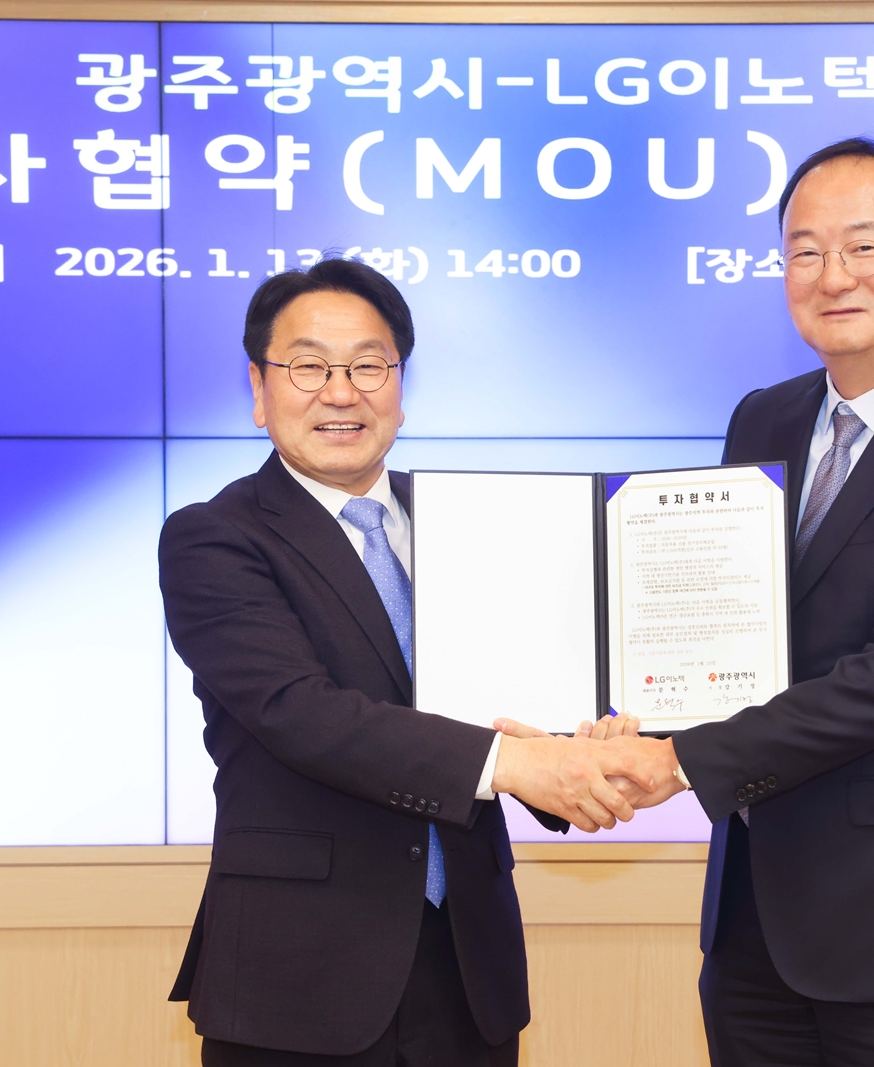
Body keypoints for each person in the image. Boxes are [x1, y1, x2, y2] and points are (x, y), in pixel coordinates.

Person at [501, 136, 874, 1066]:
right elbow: (720, 632)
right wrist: (596, 737)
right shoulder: (766, 417)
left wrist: (675, 761)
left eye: (864, 246)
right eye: (805, 251)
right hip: (756, 917)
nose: (833, 275)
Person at [160, 258, 658, 1066]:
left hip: (467, 969)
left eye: (368, 365)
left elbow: (513, 691)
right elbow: (303, 714)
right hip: (301, 979)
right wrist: (519, 764)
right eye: (309, 366)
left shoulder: (474, 522)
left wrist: (578, 744)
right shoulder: (214, 538)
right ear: (259, 388)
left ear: (399, 383)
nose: (341, 392)